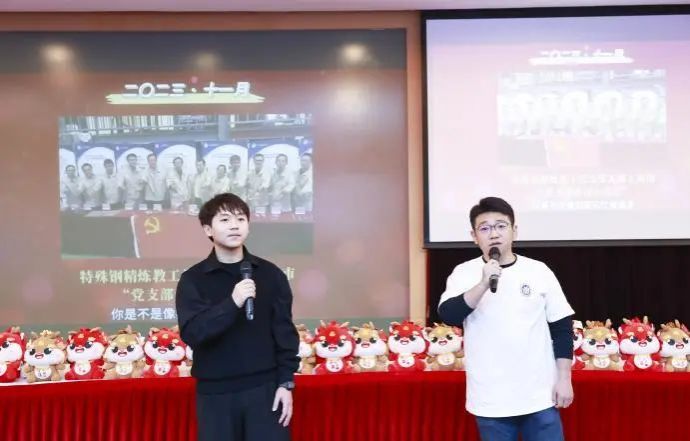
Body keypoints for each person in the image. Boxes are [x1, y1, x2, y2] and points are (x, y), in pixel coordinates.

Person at [438, 196, 574, 441]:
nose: (494, 234)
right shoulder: (463, 273)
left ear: (514, 231)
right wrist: (483, 283)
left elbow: (562, 328)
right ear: (474, 236)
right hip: (490, 397)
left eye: (501, 226)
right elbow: (449, 315)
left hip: (539, 394)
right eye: (485, 228)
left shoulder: (538, 270)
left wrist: (564, 379)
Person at [175, 192, 299, 441]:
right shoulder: (193, 280)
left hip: (265, 390)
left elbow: (285, 333)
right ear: (208, 229)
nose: (234, 225)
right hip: (216, 394)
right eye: (225, 220)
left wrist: (286, 383)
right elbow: (194, 333)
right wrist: (232, 303)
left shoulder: (270, 274)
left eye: (241, 219)